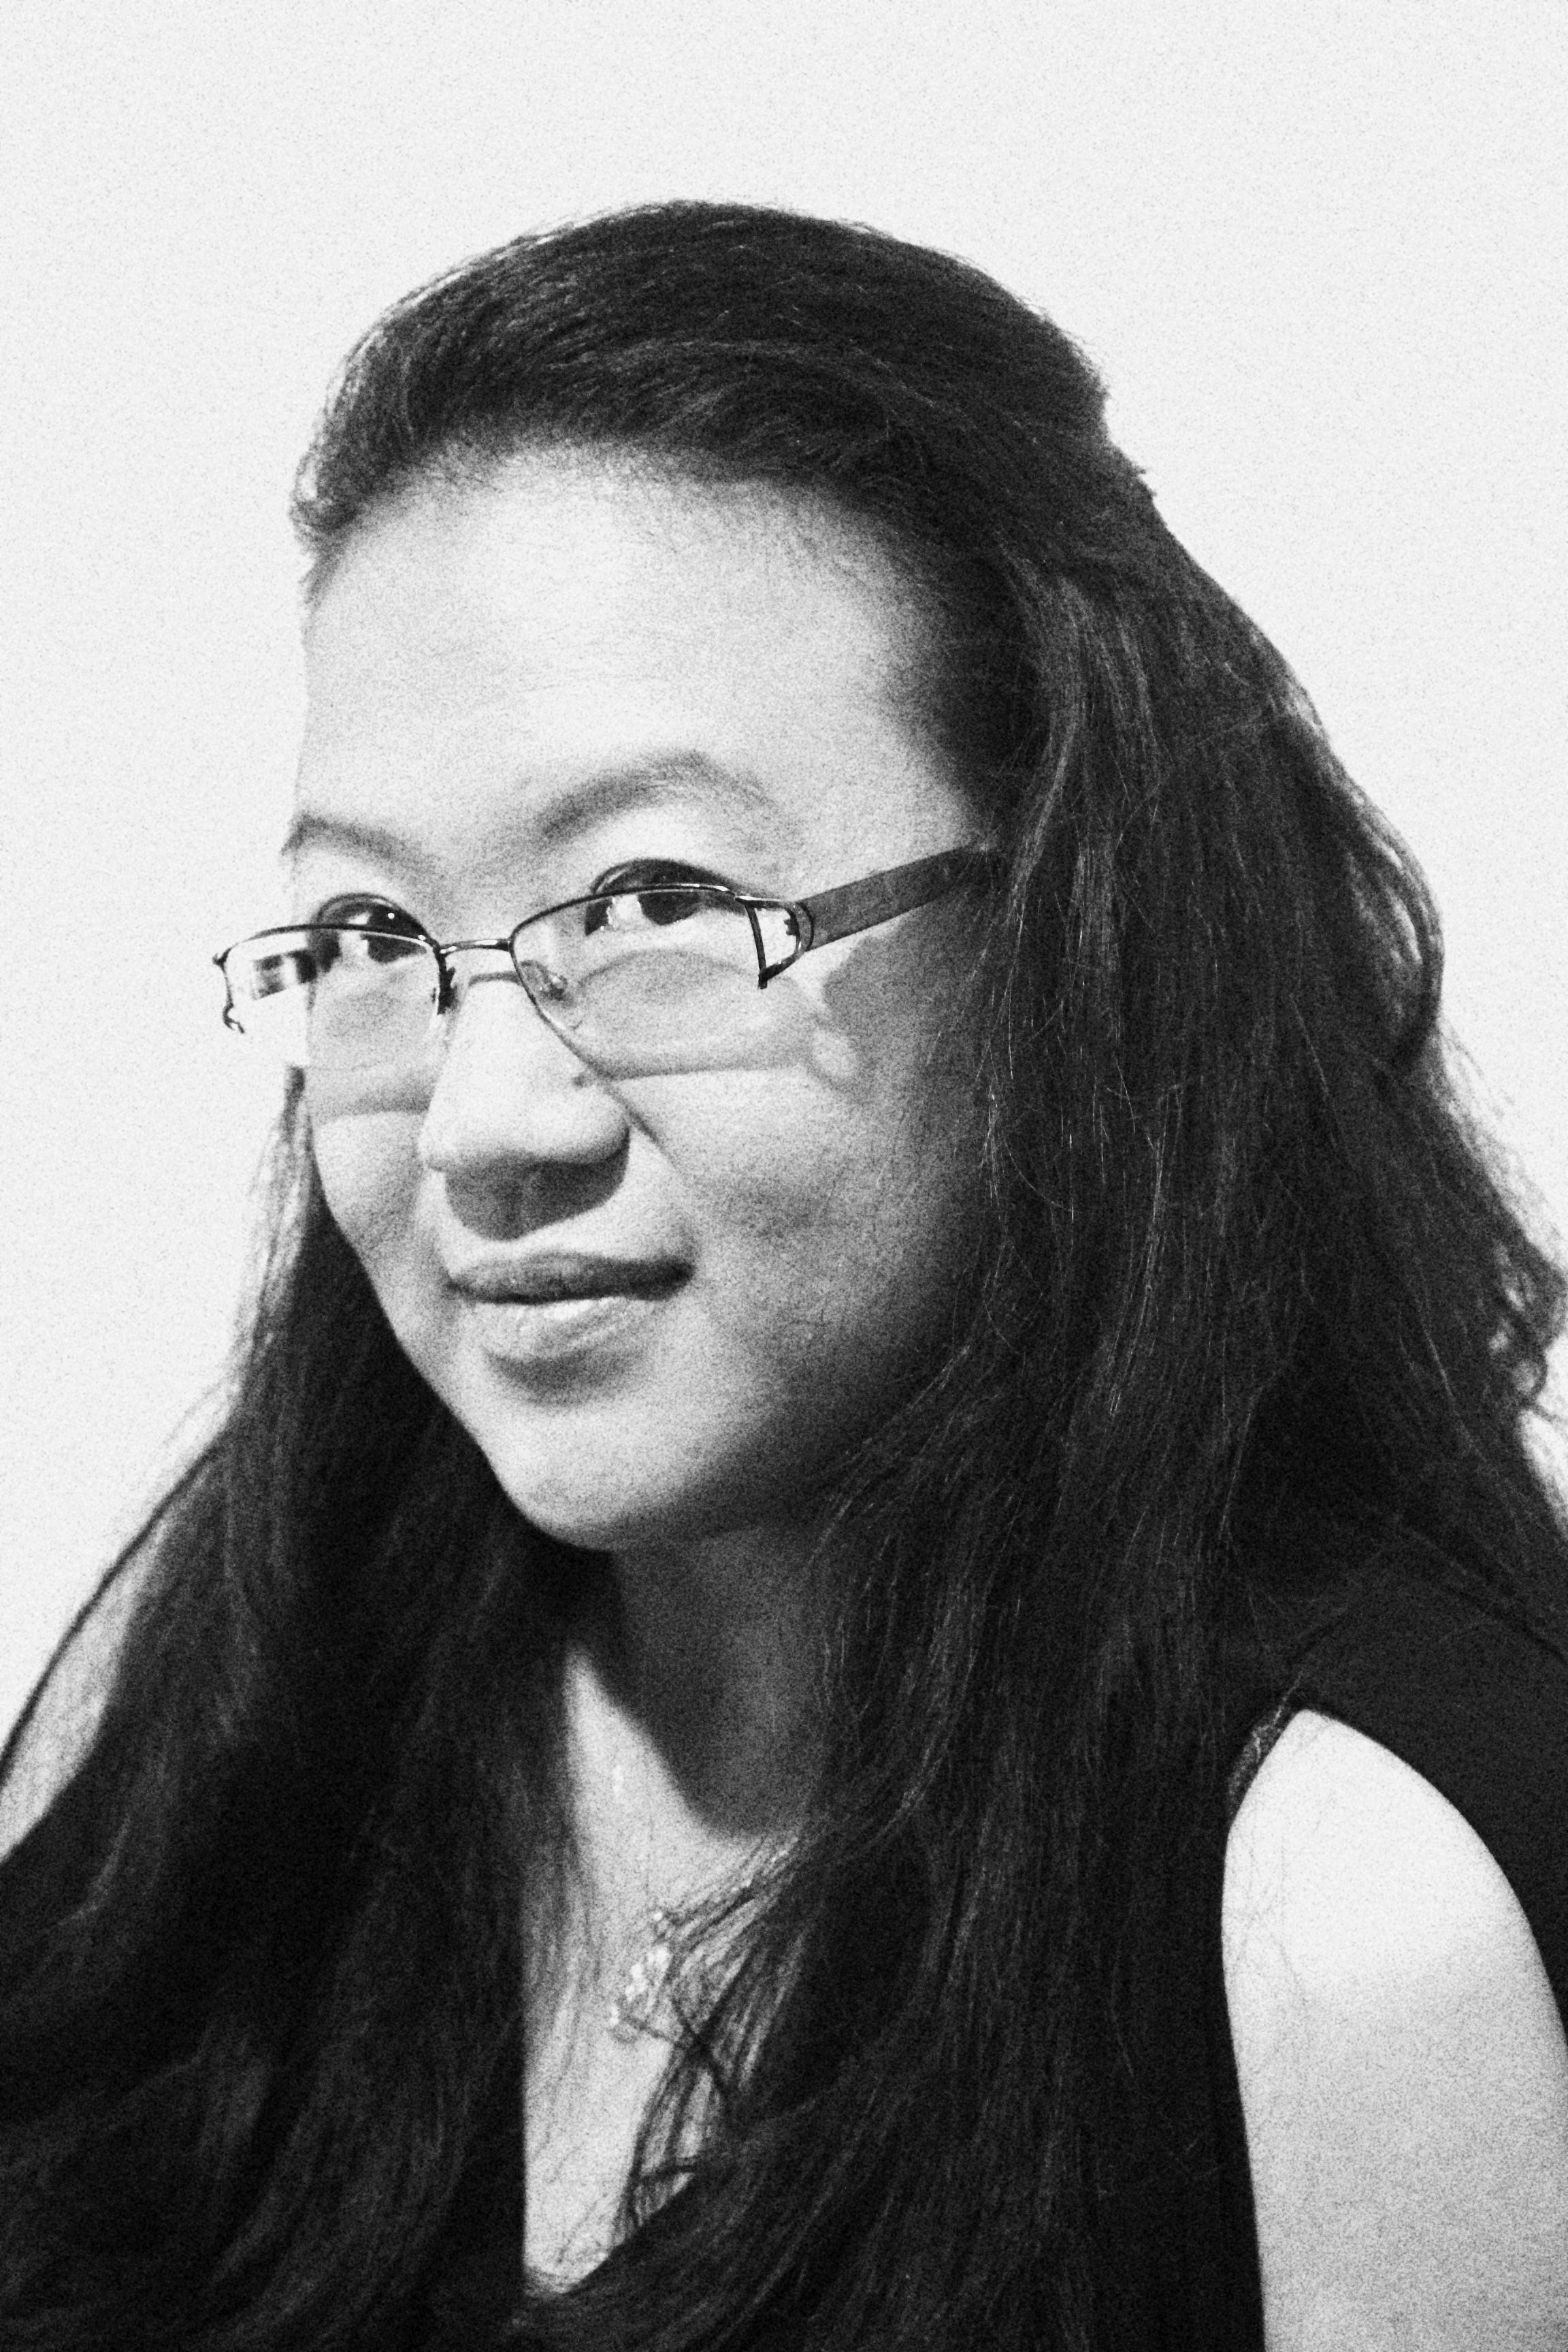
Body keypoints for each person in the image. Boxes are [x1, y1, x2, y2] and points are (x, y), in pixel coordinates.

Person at [2, 200, 1567, 2352]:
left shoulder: (1350, 1916)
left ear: (1070, 932)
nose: (481, 1122)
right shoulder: (250, 1676)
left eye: (652, 903)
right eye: (371, 937)